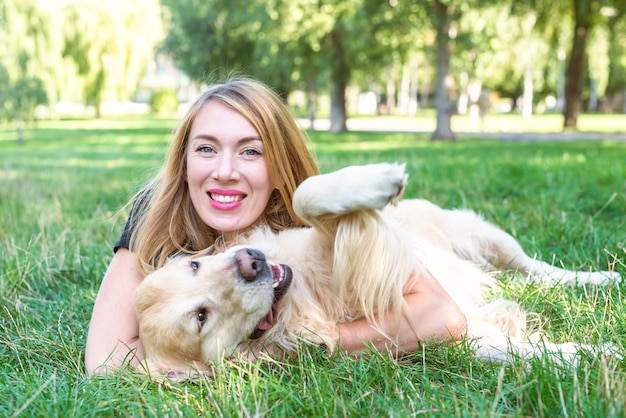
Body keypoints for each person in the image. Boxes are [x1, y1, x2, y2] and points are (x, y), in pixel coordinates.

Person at [84, 77, 467, 376]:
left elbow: (441, 316)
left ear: (280, 166)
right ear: (184, 163)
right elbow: (104, 359)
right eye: (205, 148)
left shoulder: (306, 217)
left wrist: (310, 343)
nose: (224, 171)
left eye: (251, 151)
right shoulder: (158, 214)